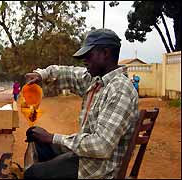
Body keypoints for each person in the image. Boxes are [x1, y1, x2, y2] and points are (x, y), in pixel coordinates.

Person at [23, 28, 139, 179]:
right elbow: (69, 74)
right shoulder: (97, 81)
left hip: (98, 170)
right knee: (39, 145)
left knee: (33, 174)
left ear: (105, 53)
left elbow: (101, 146)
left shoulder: (120, 90)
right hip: (88, 159)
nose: (85, 60)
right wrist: (42, 74)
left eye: (88, 55)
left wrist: (52, 137)